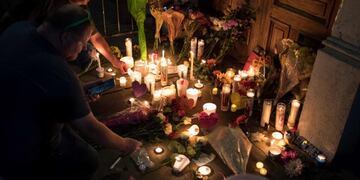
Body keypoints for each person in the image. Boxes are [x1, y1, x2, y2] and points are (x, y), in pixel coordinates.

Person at [0, 4, 141, 180]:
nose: (83, 49)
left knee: (87, 157)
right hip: (24, 147)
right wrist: (125, 144)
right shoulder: (60, 74)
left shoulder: (18, 29)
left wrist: (77, 93)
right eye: (83, 43)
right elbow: (91, 128)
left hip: (11, 114)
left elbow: (36, 83)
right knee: (86, 162)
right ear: (65, 36)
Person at [0, 0, 128, 74]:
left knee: (86, 52)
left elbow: (95, 36)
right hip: (21, 55)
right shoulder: (52, 8)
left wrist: (114, 61)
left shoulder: (81, 9)